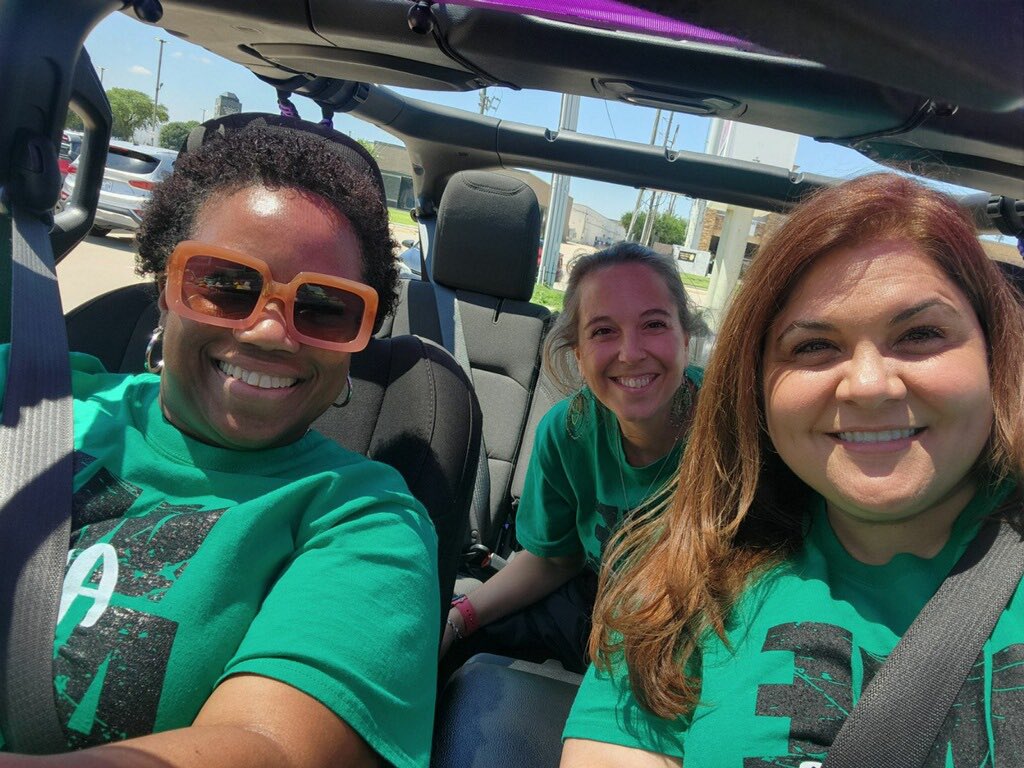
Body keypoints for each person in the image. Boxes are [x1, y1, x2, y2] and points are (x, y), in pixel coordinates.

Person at [0, 118, 439, 767]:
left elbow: (270, 746)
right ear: (164, 288)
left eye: (323, 308)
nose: (269, 332)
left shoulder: (363, 520)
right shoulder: (28, 393)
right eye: (227, 285)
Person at [561, 173, 1024, 766]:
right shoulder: (672, 581)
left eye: (921, 334)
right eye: (813, 347)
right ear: (756, 384)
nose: (868, 386)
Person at [440, 243, 704, 674]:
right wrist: (457, 619)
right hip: (598, 609)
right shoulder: (569, 431)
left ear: (686, 339)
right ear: (579, 354)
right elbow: (555, 558)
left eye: (654, 324)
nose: (631, 352)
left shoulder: (734, 427)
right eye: (603, 331)